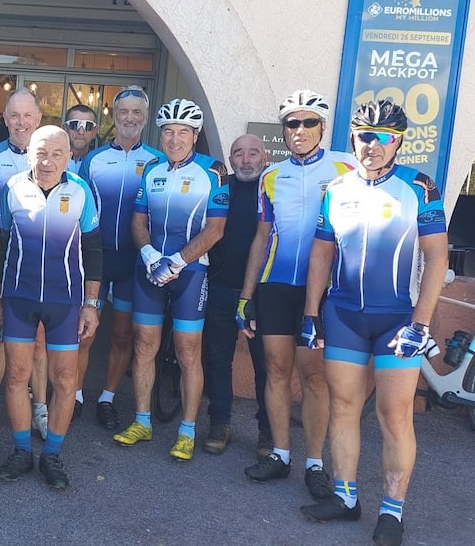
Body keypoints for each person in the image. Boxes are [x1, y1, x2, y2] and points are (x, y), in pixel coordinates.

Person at [299, 100, 448, 546]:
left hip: (398, 319)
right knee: (342, 407)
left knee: (394, 415)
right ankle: (345, 498)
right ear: (353, 139)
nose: (373, 145)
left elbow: (437, 257)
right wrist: (310, 313)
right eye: (365, 135)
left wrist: (421, 324)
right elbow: (322, 253)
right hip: (343, 314)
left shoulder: (418, 187)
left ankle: (392, 510)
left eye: (383, 136)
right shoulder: (337, 188)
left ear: (398, 141)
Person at [240, 90, 356, 499]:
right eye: (293, 123)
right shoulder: (272, 177)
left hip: (323, 291)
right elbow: (261, 237)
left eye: (309, 123)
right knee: (275, 371)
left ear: (322, 128)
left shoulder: (347, 167)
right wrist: (246, 295)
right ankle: (280, 454)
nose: (300, 130)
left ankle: (315, 463)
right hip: (275, 285)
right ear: (284, 131)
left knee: (313, 376)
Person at [0, 126, 101, 490]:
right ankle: (21, 451)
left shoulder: (81, 191)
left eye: (56, 153)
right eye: (40, 152)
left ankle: (52, 453)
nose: (47, 161)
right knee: (17, 376)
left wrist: (91, 304)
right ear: (29, 154)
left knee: (65, 380)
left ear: (69, 157)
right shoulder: (13, 187)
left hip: (65, 302)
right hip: (18, 299)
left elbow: (94, 250)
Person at [117, 98, 228, 462]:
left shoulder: (213, 171)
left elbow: (215, 230)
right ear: (160, 135)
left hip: (191, 273)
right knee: (143, 346)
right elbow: (138, 221)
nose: (174, 139)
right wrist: (150, 256)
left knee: (187, 352)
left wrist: (177, 261)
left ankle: (187, 430)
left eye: (183, 132)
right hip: (150, 269)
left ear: (194, 136)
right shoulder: (151, 170)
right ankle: (143, 420)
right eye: (168, 131)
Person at [77, 86, 162, 428]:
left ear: (145, 117)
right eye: (123, 112)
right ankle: (76, 394)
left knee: (123, 335)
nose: (130, 118)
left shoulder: (155, 161)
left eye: (136, 112)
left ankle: (108, 399)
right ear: (114, 116)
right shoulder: (93, 160)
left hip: (133, 263)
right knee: (85, 332)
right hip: (96, 260)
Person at [0, 88, 47, 438]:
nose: (20, 122)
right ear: (4, 119)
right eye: (13, 116)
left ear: (38, 119)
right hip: (0, 259)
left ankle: (39, 407)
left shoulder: (54, 157)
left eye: (27, 116)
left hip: (41, 265)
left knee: (39, 339)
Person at [201, 134, 271, 456]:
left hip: (262, 291)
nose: (245, 159)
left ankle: (267, 431)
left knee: (265, 365)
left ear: (264, 157)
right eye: (238, 153)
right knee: (217, 360)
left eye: (252, 153)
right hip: (220, 285)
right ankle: (219, 423)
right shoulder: (219, 188)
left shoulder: (273, 189)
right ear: (230, 159)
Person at [63, 104, 98, 173]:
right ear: (65, 129)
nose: (81, 132)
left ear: (95, 131)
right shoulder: (52, 160)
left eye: (88, 126)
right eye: (74, 125)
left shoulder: (99, 163)